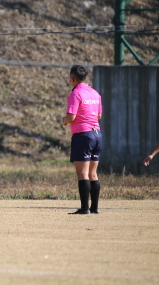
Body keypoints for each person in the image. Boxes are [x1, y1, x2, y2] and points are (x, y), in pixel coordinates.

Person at [62, 65, 102, 215]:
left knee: (83, 174)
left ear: (73, 79)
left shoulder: (76, 93)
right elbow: (99, 116)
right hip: (97, 134)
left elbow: (71, 117)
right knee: (93, 174)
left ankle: (85, 208)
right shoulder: (95, 93)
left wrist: (64, 120)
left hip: (83, 136)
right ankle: (94, 208)